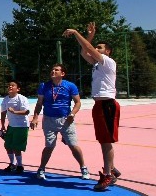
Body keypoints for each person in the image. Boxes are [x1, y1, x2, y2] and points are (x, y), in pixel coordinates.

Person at [64, 22, 122, 190]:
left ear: (108, 51)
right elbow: (85, 51)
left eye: (100, 47)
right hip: (99, 105)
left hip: (108, 104)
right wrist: (89, 36)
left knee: (106, 141)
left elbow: (88, 47)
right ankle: (111, 167)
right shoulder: (97, 64)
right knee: (103, 140)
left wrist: (76, 32)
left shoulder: (108, 62)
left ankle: (108, 174)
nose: (97, 48)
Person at [30, 64, 90, 181]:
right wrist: (35, 117)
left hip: (66, 120)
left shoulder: (70, 86)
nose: (53, 71)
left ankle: (83, 167)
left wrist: (72, 114)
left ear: (62, 74)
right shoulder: (44, 86)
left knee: (73, 145)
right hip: (49, 120)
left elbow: (77, 102)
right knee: (49, 146)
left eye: (56, 70)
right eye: (52, 70)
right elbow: (39, 103)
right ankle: (41, 169)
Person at [0, 81, 30, 174]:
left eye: (13, 85)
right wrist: (3, 125)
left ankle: (20, 165)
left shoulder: (21, 98)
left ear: (18, 89)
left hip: (21, 126)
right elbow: (3, 112)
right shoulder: (5, 99)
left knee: (17, 147)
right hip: (11, 125)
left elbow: (26, 111)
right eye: (9, 85)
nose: (10, 86)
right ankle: (12, 163)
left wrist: (14, 112)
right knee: (8, 145)